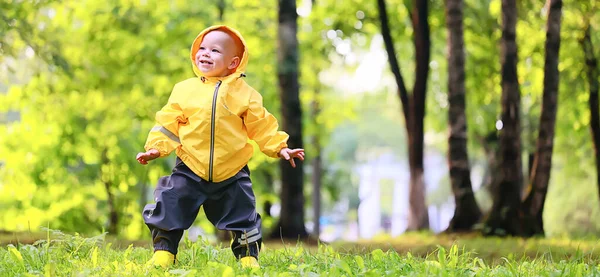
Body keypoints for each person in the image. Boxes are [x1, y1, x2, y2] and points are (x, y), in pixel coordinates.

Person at [135, 25, 304, 269]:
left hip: (232, 169)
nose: (205, 53)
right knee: (170, 202)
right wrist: (156, 148)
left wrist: (280, 147)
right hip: (190, 165)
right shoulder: (185, 90)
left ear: (234, 62)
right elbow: (168, 123)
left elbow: (262, 126)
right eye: (201, 48)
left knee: (244, 214)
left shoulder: (246, 95)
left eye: (215, 50)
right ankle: (164, 253)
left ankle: (248, 258)